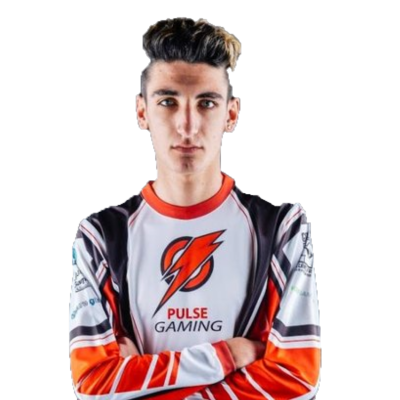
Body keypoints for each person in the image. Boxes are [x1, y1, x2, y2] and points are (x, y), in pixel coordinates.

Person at [68, 16, 321, 400]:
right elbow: (92, 385)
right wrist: (229, 355)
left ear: (231, 114)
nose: (187, 126)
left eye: (206, 103)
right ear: (141, 112)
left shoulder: (282, 229)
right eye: (168, 102)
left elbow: (296, 381)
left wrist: (140, 379)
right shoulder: (101, 236)